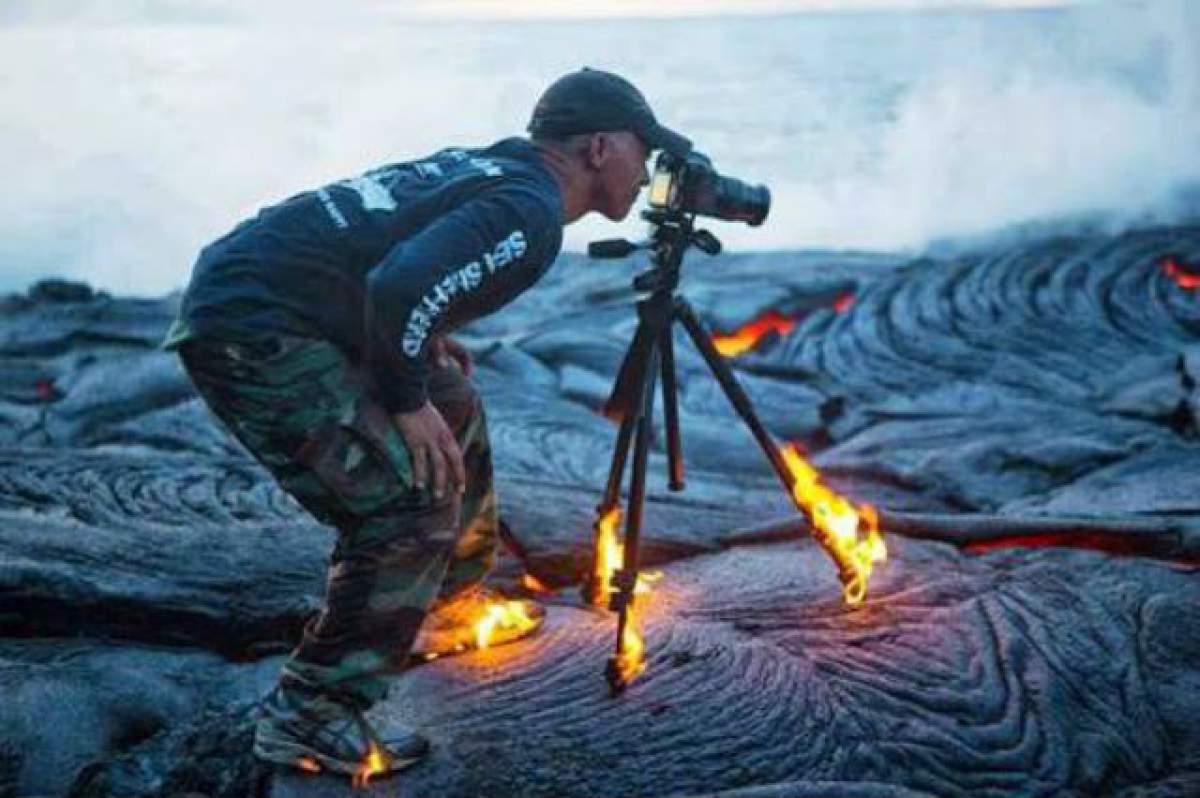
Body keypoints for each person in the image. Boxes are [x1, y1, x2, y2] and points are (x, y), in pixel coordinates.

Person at [161, 67, 690, 777]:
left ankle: (441, 600)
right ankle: (311, 711)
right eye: (642, 148)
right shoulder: (530, 212)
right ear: (599, 148)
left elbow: (391, 255)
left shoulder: (498, 166)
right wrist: (404, 400)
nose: (649, 166)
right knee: (409, 503)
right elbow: (398, 283)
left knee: (455, 400)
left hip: (275, 297)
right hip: (253, 329)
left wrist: (417, 339)